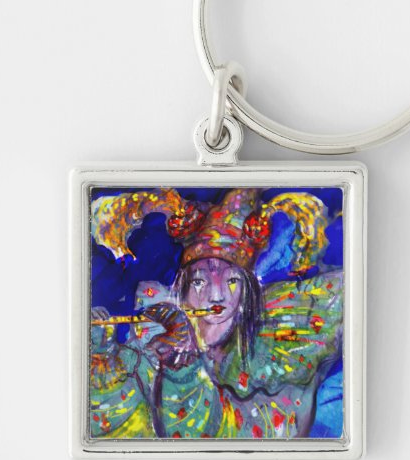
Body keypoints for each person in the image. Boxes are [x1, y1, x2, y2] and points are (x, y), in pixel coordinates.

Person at [90, 188, 343, 439]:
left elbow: (241, 435)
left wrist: (184, 368)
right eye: (199, 282)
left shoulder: (271, 354)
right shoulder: (153, 341)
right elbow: (111, 424)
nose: (216, 295)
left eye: (232, 281)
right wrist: (103, 357)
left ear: (247, 292)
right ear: (182, 289)